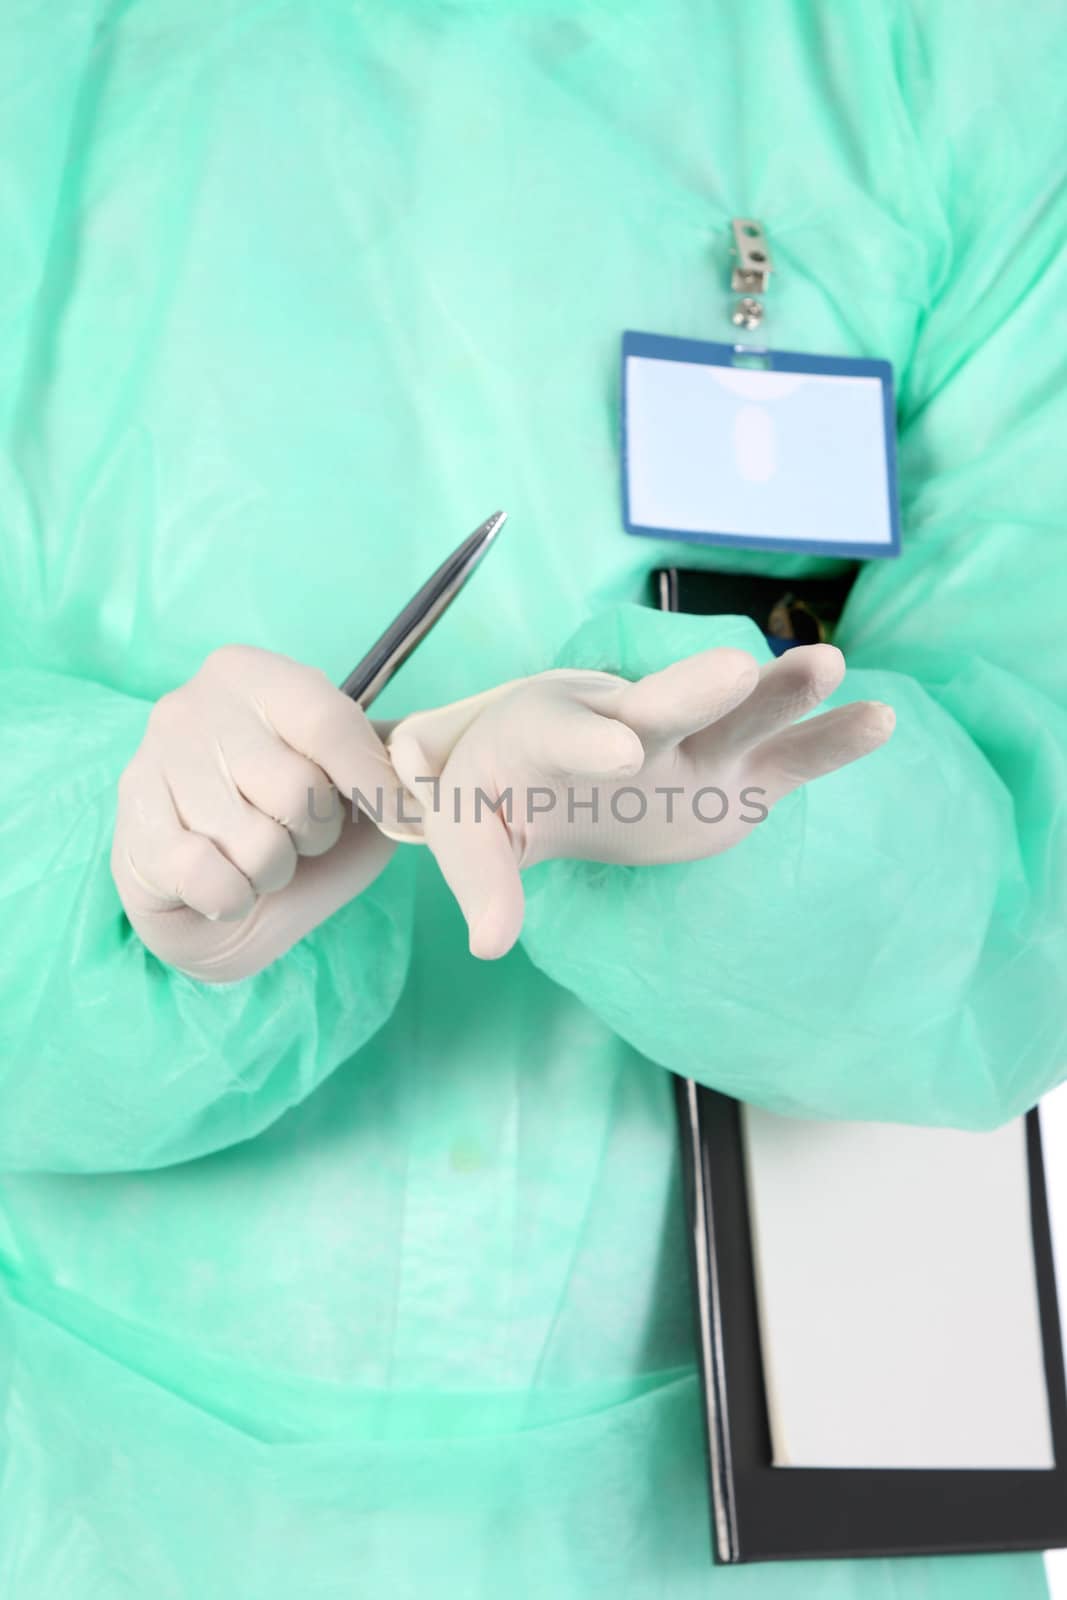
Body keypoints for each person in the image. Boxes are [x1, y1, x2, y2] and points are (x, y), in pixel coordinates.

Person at [1, 2, 1064, 1595]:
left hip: (795, 1494)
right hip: (104, 1484)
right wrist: (111, 867)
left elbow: (1025, 890)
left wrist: (747, 838)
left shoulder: (956, 68)